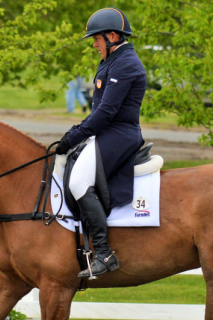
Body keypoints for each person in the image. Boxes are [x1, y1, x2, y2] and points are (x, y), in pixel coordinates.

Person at [55, 8, 147, 279]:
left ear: (112, 35)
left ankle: (104, 253)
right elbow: (98, 111)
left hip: (120, 134)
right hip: (108, 132)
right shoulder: (113, 60)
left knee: (78, 182)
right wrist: (77, 131)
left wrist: (74, 136)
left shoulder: (126, 64)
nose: (93, 45)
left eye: (96, 39)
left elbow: (106, 113)